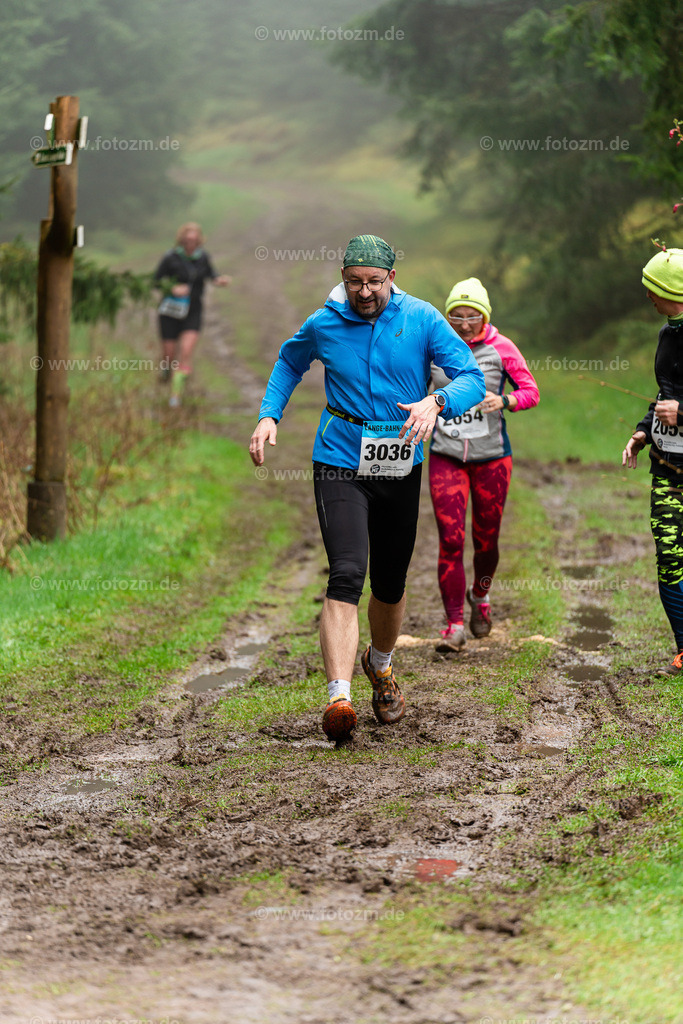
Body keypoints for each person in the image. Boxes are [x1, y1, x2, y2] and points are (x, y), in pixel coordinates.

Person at [249, 235, 485, 740]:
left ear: (391, 279)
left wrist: (436, 402)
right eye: (354, 282)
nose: (364, 292)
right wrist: (270, 414)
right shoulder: (325, 322)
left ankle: (379, 664)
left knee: (391, 582)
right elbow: (290, 362)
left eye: (374, 282)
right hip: (338, 457)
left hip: (399, 459)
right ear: (343, 278)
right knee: (347, 571)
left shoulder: (420, 318)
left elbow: (471, 377)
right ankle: (339, 698)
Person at [429, 278, 539, 651]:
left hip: (492, 457)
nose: (462, 325)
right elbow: (412, 386)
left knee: (485, 540)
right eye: (455, 317)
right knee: (450, 539)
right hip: (446, 455)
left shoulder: (501, 347)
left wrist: (505, 401)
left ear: (484, 316)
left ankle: (482, 595)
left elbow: (531, 391)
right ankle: (454, 625)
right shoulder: (434, 345)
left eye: (471, 317)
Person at [623, 247, 683, 675]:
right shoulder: (667, 333)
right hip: (666, 463)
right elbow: (665, 392)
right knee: (668, 553)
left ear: (671, 291)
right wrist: (644, 431)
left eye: (652, 289)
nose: (648, 296)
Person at [153, 223, 231, 407]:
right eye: (187, 240)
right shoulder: (170, 258)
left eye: (194, 241)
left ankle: (175, 396)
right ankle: (166, 372)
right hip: (170, 311)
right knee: (169, 356)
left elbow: (212, 274)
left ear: (198, 241)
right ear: (182, 240)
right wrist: (172, 288)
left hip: (193, 311)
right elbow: (156, 280)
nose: (190, 244)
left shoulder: (203, 257)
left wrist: (219, 280)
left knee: (186, 352)